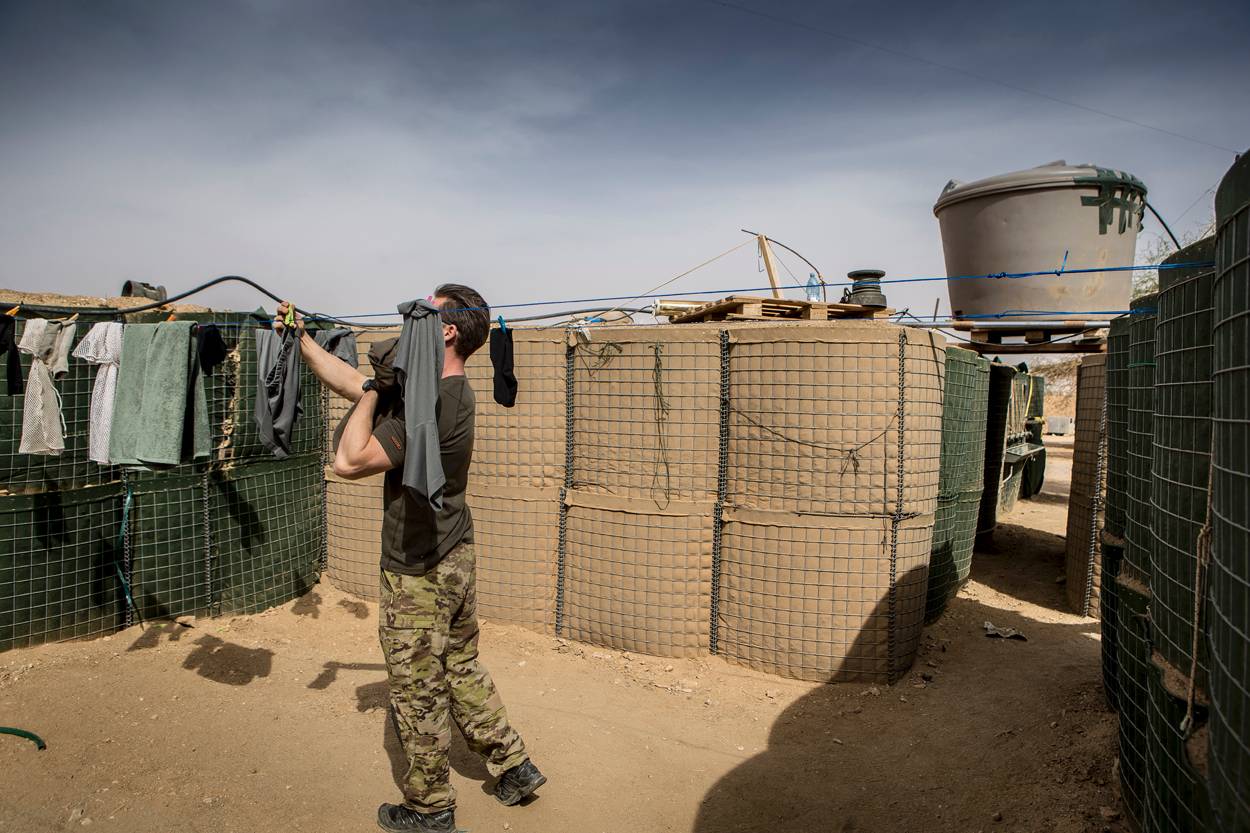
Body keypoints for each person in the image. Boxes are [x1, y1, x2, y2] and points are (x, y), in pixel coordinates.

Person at [276, 286, 545, 833]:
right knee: (460, 665)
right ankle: (514, 766)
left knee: (416, 689)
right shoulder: (440, 388)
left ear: (447, 330)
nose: (410, 317)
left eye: (424, 309)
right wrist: (301, 339)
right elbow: (354, 382)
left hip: (419, 570)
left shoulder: (431, 406)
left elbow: (349, 460)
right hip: (455, 551)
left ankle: (430, 807)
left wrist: (375, 391)